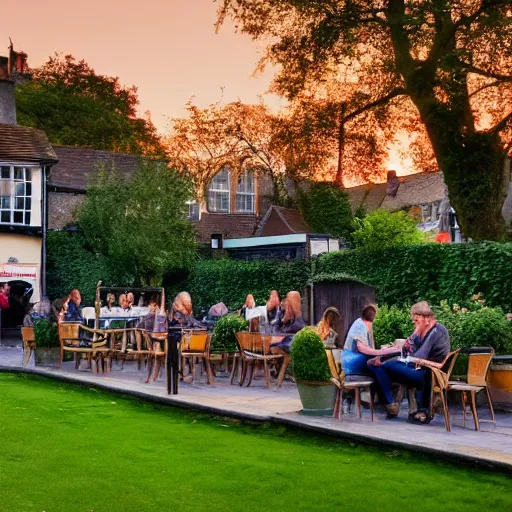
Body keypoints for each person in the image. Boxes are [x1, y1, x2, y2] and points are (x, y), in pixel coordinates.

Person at [366, 301, 450, 421]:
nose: (414, 324)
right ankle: (390, 405)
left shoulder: (437, 331)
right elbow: (406, 352)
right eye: (414, 321)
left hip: (429, 374)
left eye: (417, 321)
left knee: (384, 365)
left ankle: (391, 403)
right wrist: (411, 339)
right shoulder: (422, 330)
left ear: (427, 318)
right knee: (376, 366)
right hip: (416, 369)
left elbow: (419, 356)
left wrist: (414, 335)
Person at [342, 304, 398, 378]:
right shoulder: (360, 324)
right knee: (380, 368)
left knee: (378, 365)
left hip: (352, 361)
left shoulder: (359, 323)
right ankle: (384, 389)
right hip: (352, 363)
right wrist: (381, 352)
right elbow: (361, 347)